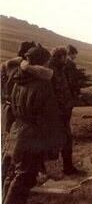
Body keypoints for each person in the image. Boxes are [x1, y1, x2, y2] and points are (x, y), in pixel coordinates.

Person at [2, 45, 65, 204]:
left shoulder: (17, 79)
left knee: (12, 173)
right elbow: (50, 115)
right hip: (32, 136)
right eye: (46, 61)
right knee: (25, 175)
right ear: (42, 62)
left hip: (17, 131)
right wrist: (54, 141)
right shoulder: (43, 84)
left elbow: (11, 108)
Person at [1, 42, 53, 188]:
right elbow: (47, 112)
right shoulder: (40, 82)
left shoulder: (18, 76)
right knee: (24, 172)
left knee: (13, 165)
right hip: (30, 128)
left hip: (16, 123)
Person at [49, 47, 81, 175]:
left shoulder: (59, 69)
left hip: (63, 110)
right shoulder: (53, 72)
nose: (66, 60)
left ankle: (67, 166)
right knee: (65, 139)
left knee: (66, 139)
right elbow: (55, 92)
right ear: (60, 57)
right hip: (59, 111)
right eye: (64, 57)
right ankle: (67, 167)